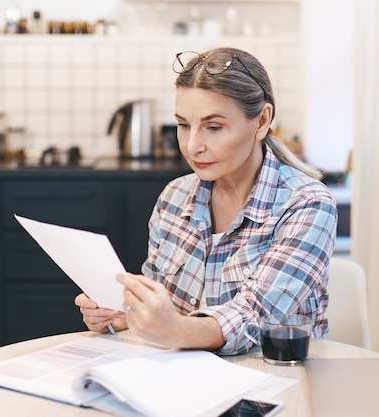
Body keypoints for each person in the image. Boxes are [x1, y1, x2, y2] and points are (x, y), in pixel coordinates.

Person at [75, 47, 337, 355]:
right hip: (187, 380)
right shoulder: (174, 197)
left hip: (278, 380)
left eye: (213, 127)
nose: (192, 145)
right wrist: (127, 315)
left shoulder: (307, 204)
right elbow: (162, 304)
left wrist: (175, 329)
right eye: (184, 125)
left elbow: (254, 315)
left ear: (262, 121)